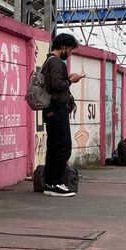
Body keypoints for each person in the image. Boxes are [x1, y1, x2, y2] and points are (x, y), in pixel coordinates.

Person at [41, 33, 84, 197]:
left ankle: (50, 183)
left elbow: (53, 83)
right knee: (63, 147)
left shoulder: (48, 61)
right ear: (64, 47)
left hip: (52, 109)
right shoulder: (57, 62)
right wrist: (72, 79)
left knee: (54, 147)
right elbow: (58, 85)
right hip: (57, 109)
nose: (70, 52)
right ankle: (56, 183)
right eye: (70, 49)